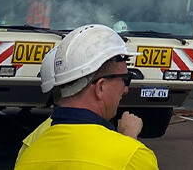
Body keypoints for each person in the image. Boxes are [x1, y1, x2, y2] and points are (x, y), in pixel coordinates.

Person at [15, 24, 158, 170]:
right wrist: (129, 144)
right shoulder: (133, 157)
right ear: (100, 87)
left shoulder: (29, 155)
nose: (126, 89)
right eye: (125, 79)